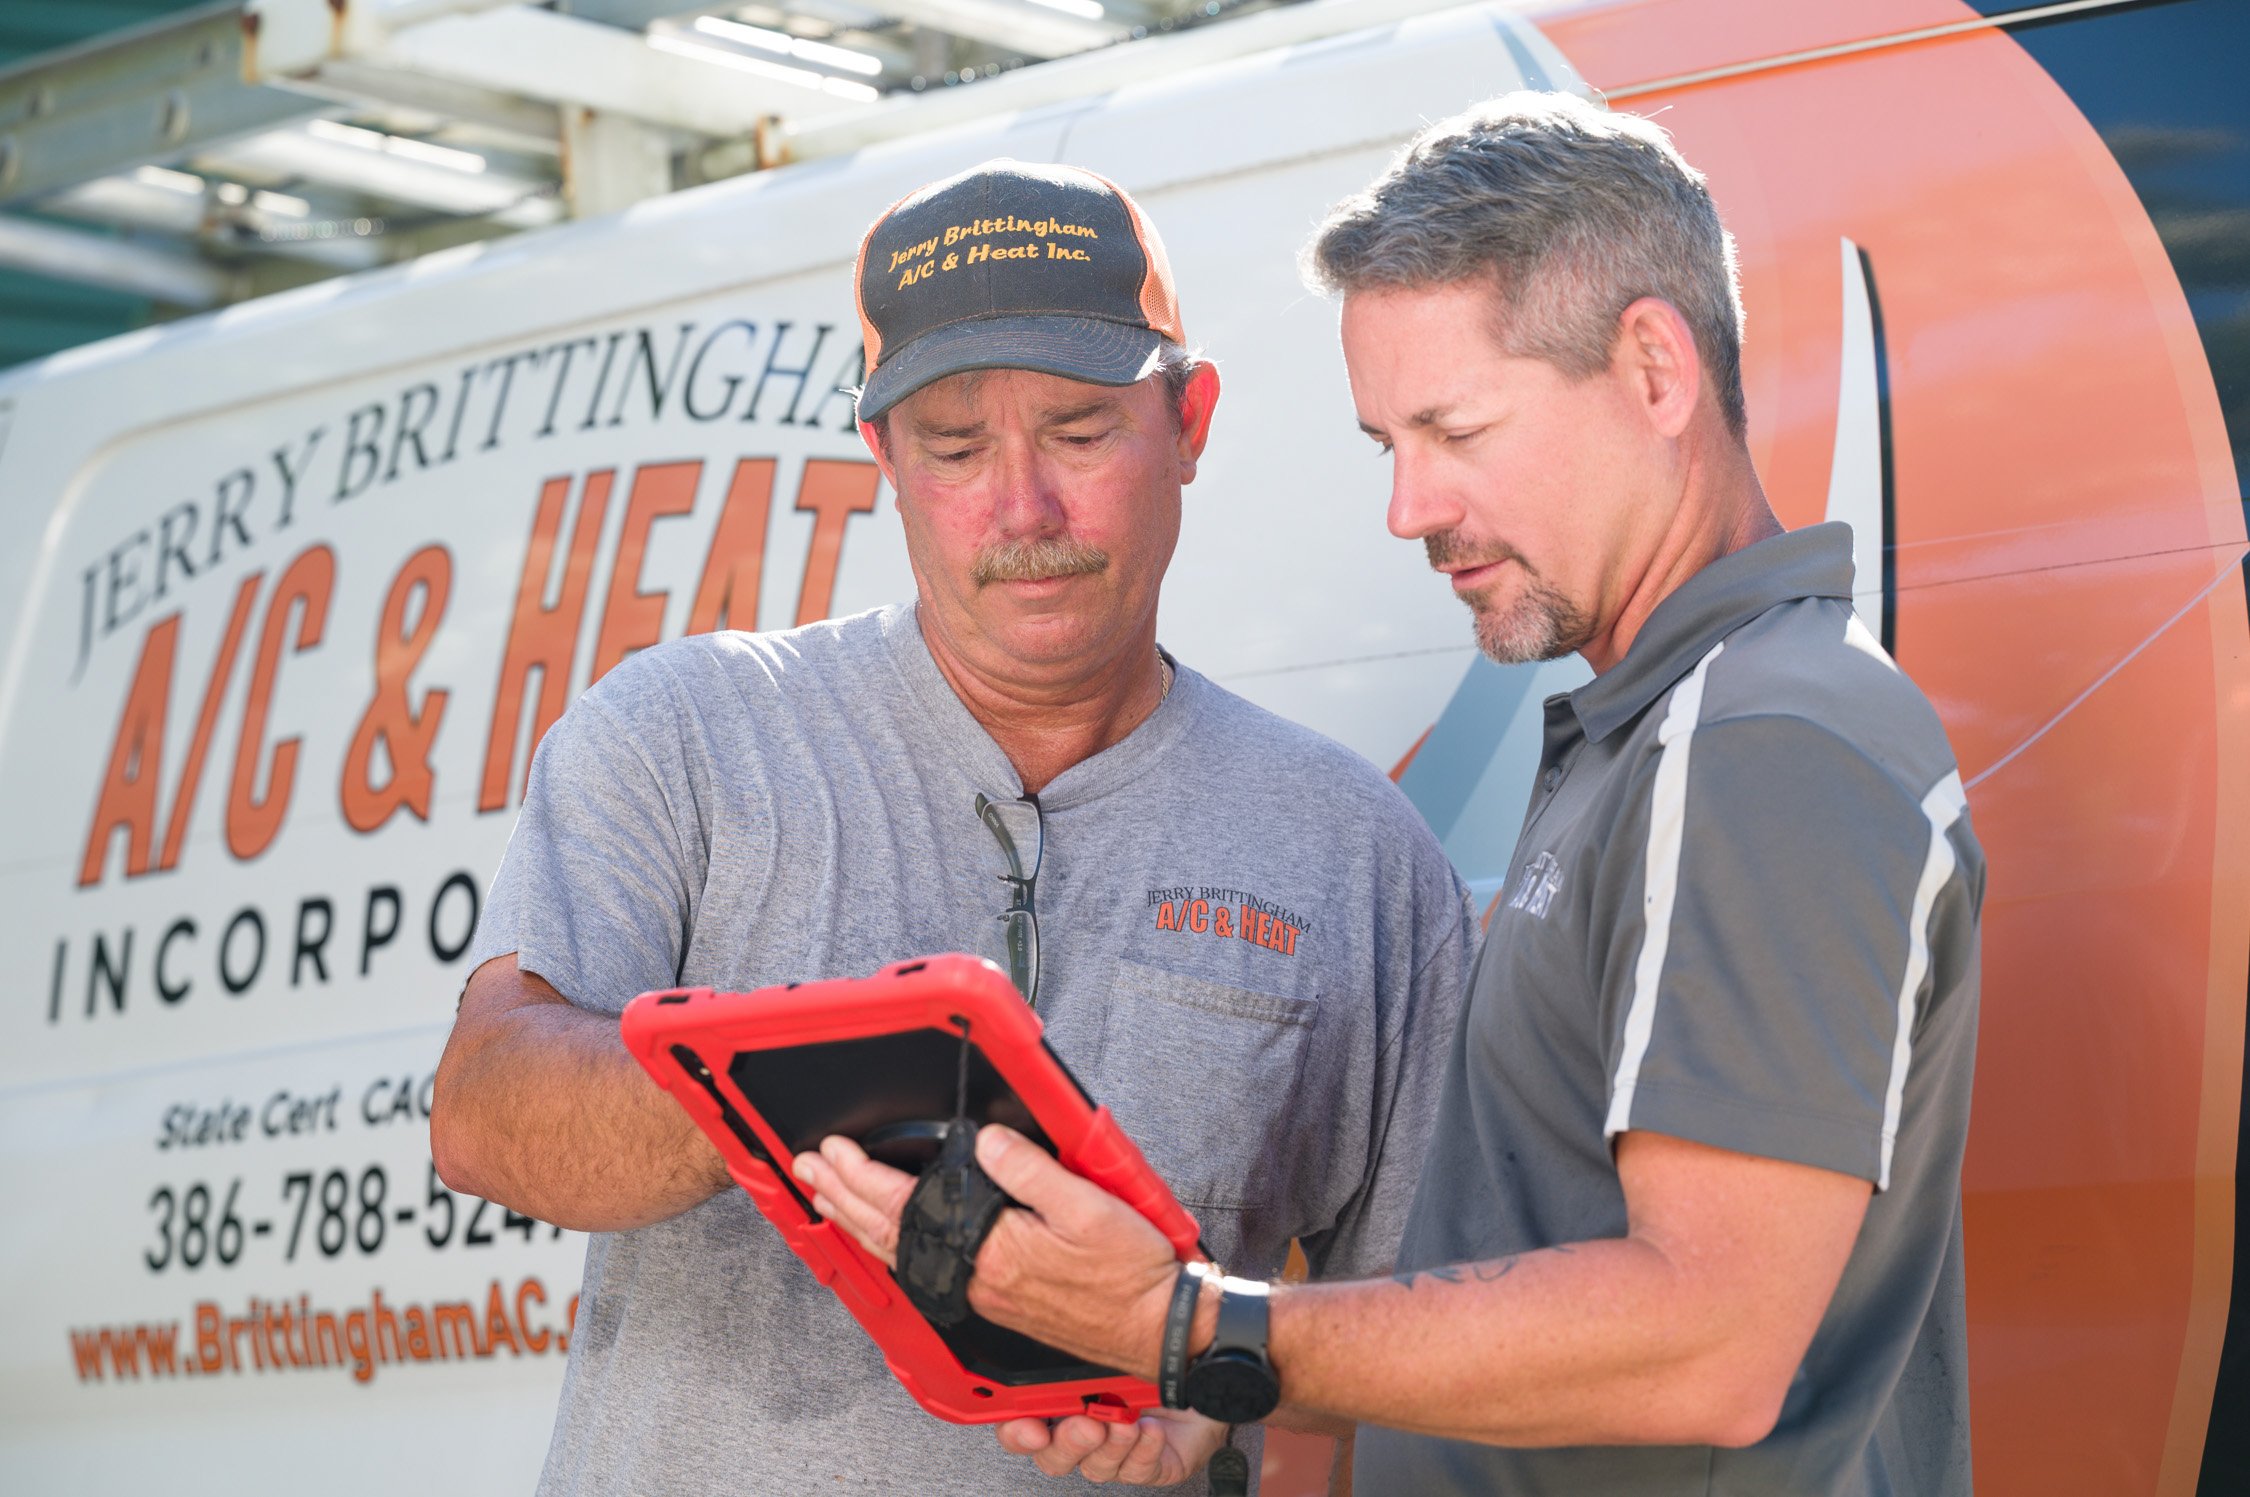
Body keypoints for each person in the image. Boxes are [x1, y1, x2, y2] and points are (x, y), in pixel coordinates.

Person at [798, 94, 1985, 1496]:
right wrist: (1209, 1385)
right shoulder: (1660, 729)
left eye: (1453, 429)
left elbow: (1707, 1344)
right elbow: (1533, 1314)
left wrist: (1183, 1318)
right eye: (1385, 444)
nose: (1407, 509)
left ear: (1655, 370)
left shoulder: (1764, 737)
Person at [430, 158, 1471, 1495]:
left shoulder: (1353, 855)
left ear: (1190, 420)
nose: (1021, 508)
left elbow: (1411, 1346)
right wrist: (792, 1088)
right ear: (881, 455)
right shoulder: (689, 731)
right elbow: (482, 1116)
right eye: (955, 446)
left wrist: (1212, 1396)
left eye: (1080, 430)